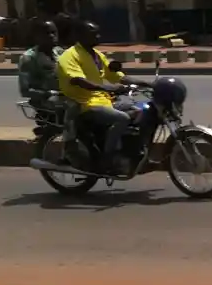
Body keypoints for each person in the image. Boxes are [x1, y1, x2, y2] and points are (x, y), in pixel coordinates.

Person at [56, 20, 149, 175]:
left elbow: (118, 77)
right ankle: (108, 158)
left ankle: (129, 151)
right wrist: (108, 87)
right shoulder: (70, 56)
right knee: (122, 118)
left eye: (98, 33)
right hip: (85, 103)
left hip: (104, 100)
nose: (98, 37)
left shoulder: (97, 55)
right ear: (79, 36)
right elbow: (78, 80)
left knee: (140, 111)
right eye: (93, 34)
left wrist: (149, 84)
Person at [17, 21, 62, 108]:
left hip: (66, 96)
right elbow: (25, 90)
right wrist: (47, 94)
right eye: (46, 33)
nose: (52, 36)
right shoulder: (29, 58)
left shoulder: (59, 52)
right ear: (37, 37)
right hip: (47, 101)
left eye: (54, 32)